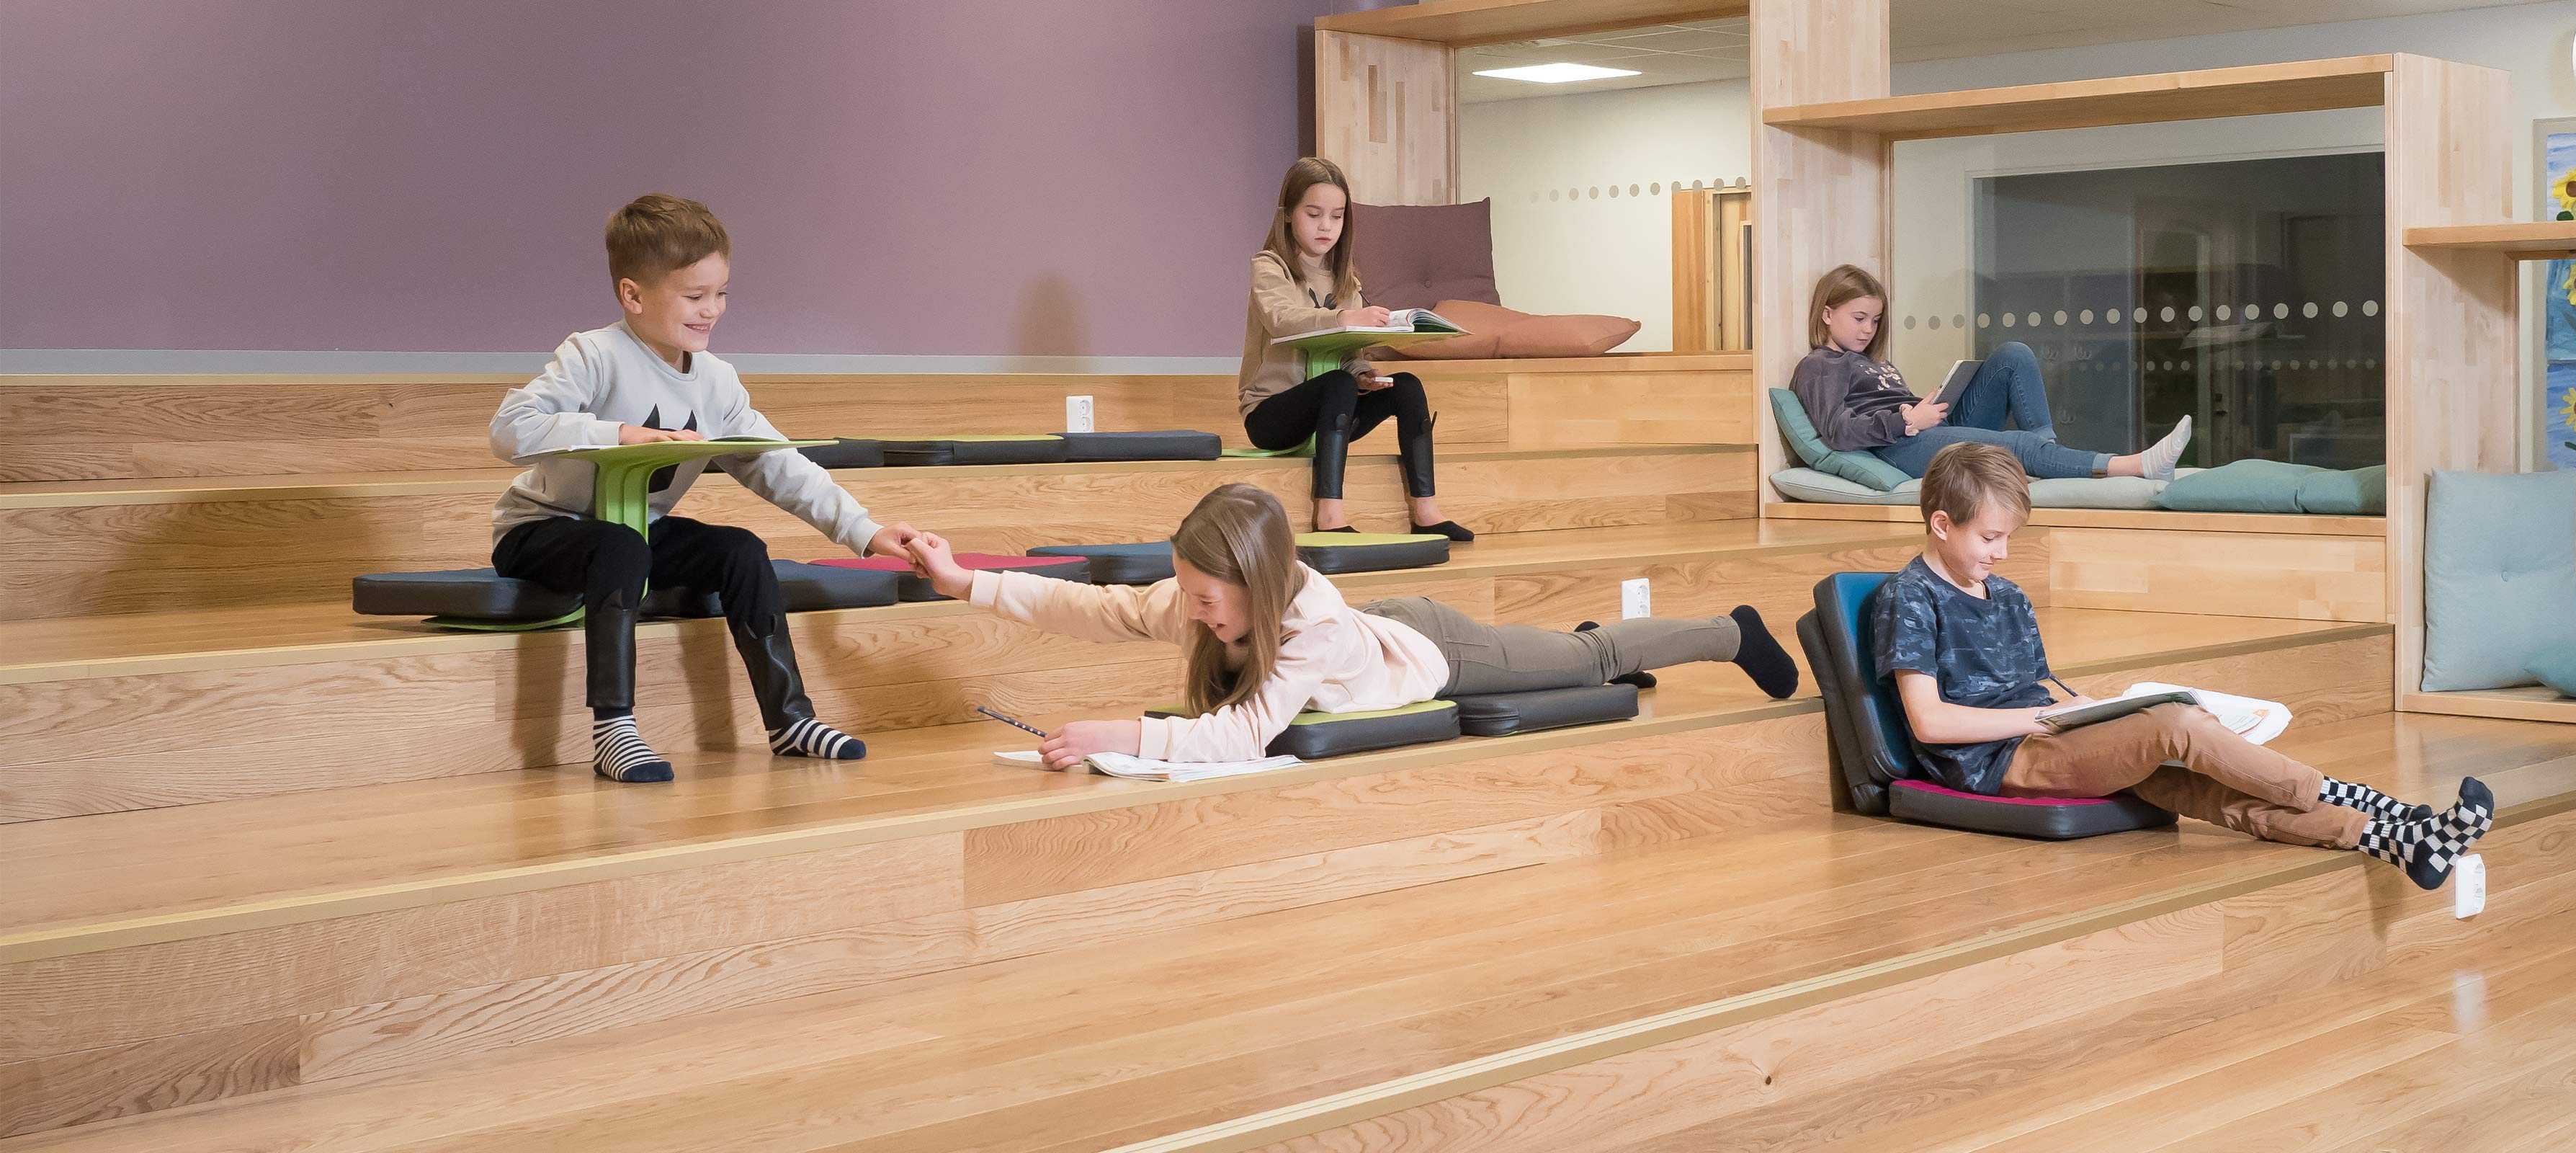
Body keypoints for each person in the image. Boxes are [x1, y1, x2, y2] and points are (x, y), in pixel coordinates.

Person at [1873, 444, 2496, 889]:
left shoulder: (2006, 595)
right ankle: (2379, 804)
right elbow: (1928, 723)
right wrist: (2040, 720)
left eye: (2009, 538)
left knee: (2208, 788)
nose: (2001, 554)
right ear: (1940, 524)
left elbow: (2042, 688)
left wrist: (2090, 711)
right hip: (2000, 761)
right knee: (2176, 725)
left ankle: (2398, 841)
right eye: (1988, 539)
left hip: (2046, 735)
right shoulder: (1912, 596)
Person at [488, 193, 932, 783]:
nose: (713, 310)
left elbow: (778, 465)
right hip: (542, 531)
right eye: (695, 297)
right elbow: (509, 428)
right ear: (633, 296)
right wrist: (621, 434)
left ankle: (790, 720)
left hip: (635, 534)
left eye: (721, 293)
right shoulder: (593, 355)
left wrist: (867, 530)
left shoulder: (717, 382)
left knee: (741, 549)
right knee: (622, 547)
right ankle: (613, 730)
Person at [908, 483, 1799, 766]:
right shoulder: (1205, 600)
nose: (1190, 609)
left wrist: (1118, 734)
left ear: (1255, 584)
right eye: (1185, 591)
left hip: (1436, 652)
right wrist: (963, 581)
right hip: (1390, 638)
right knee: (1576, 661)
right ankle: (1581, 654)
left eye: (1206, 596)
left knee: (1589, 654)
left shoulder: (1312, 628)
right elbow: (1088, 604)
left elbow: (1243, 735)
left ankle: (1732, 630)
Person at [1239, 157, 1472, 540]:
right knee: (1337, 385)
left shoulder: (1346, 278)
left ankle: (1426, 511)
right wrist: (1342, 319)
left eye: (1337, 216)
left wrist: (1362, 373)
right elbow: (1282, 318)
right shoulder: (1269, 266)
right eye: (1314, 214)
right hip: (1271, 415)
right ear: (1287, 215)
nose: (1326, 226)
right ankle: (1329, 513)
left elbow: (1348, 352)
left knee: (1407, 385)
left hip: (1331, 408)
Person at [1792, 263, 2195, 481]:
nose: (1868, 329)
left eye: (1876, 320)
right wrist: (1907, 419)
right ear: (1827, 315)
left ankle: (2046, 452)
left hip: (1923, 429)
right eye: (1859, 318)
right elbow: (1838, 432)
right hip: (1900, 448)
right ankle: (2135, 465)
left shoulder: (1872, 361)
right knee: (2014, 445)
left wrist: (1923, 405)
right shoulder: (1820, 365)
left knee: (2013, 356)